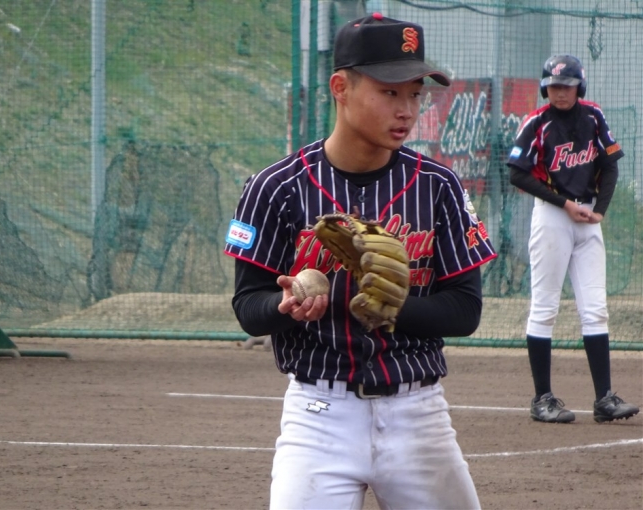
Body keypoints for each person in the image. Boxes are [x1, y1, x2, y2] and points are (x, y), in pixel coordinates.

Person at [225, 13, 496, 509]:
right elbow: (248, 306)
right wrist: (284, 307)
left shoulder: (438, 187)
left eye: (415, 93)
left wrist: (385, 304)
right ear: (340, 88)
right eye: (389, 91)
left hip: (419, 415)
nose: (406, 110)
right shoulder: (276, 187)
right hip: (319, 414)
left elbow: (465, 311)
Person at [507, 54, 640, 424]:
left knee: (595, 309)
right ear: (545, 88)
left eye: (566, 85)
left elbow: (610, 165)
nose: (559, 92)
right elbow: (517, 173)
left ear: (579, 87)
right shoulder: (536, 122)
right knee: (545, 307)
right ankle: (542, 399)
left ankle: (604, 399)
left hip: (588, 218)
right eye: (553, 85)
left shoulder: (593, 116)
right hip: (552, 217)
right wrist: (564, 204)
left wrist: (601, 212)